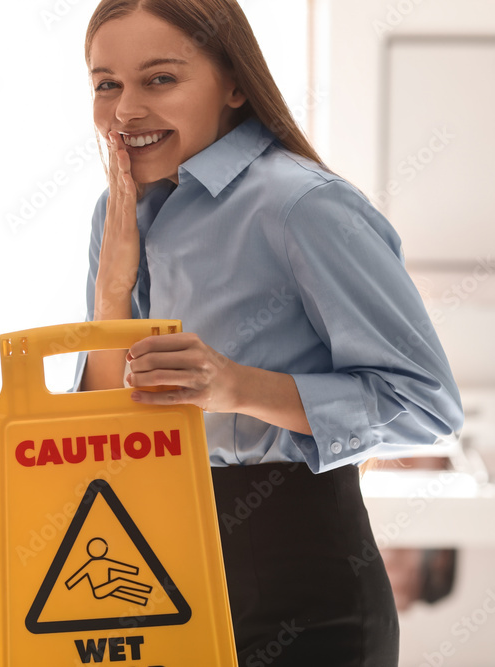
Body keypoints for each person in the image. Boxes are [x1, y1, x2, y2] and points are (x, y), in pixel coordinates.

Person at [77, 2, 463, 665]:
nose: (125, 110)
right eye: (106, 83)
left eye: (159, 80)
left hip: (305, 587)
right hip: (164, 575)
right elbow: (99, 431)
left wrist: (237, 385)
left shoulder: (302, 205)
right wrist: (112, 292)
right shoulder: (118, 214)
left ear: (233, 83)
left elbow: (427, 405)